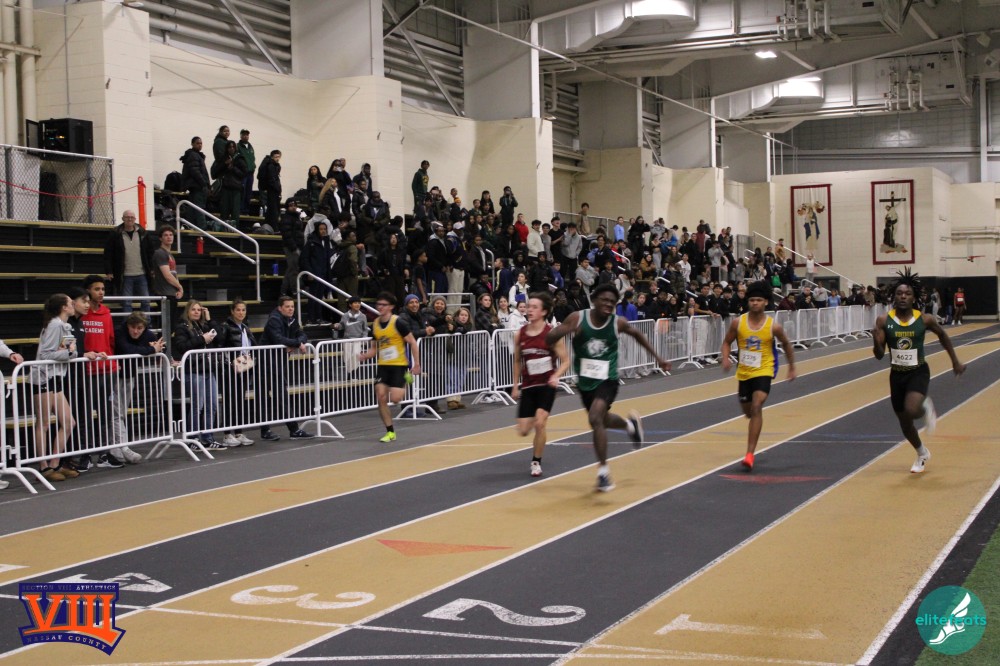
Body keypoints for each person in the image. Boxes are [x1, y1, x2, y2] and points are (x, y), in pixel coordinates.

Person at [545, 284, 671, 491]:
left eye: (612, 302)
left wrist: (658, 358)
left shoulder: (617, 322)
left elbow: (637, 335)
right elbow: (550, 337)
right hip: (585, 381)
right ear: (594, 300)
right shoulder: (577, 318)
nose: (608, 304)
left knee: (595, 417)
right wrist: (559, 333)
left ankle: (603, 472)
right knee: (601, 419)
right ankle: (630, 426)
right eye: (604, 300)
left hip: (608, 379)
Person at [872, 270, 965, 473]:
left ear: (914, 298)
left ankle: (925, 406)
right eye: (899, 293)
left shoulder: (925, 319)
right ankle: (922, 453)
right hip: (897, 375)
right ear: (893, 296)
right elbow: (879, 355)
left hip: (918, 371)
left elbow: (943, 336)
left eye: (907, 294)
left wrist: (955, 361)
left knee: (913, 409)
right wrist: (875, 340)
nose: (903, 297)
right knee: (905, 424)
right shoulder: (883, 321)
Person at [720, 281, 797, 472]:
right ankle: (753, 428)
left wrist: (791, 367)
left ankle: (749, 454)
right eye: (752, 300)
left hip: (764, 369)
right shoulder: (738, 323)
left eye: (759, 300)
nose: (755, 303)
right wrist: (725, 358)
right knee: (748, 412)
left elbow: (786, 344)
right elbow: (727, 342)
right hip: (744, 372)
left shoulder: (773, 326)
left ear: (766, 302)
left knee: (756, 406)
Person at [512, 292, 570, 478]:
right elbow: (517, 361)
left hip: (546, 384)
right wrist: (515, 385)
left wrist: (556, 375)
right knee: (523, 430)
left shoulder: (552, 334)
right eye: (529, 307)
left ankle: (536, 461)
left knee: (540, 422)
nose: (530, 310)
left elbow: (566, 361)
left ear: (544, 311)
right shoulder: (520, 334)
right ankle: (530, 428)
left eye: (534, 307)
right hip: (529, 385)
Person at [30, 294, 81, 482]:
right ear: (63, 307)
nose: (73, 305)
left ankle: (55, 462)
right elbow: (46, 355)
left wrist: (70, 352)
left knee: (68, 422)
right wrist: (69, 353)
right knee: (43, 423)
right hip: (43, 376)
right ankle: (43, 466)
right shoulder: (55, 325)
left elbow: (68, 351)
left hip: (55, 377)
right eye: (70, 303)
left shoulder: (64, 326)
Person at [359, 292, 421, 442]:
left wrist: (417, 364)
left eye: (383, 305)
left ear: (391, 307)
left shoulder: (398, 322)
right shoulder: (375, 324)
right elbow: (374, 348)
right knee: (380, 396)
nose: (380, 307)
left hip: (399, 365)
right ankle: (390, 431)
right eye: (378, 304)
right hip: (383, 366)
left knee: (395, 399)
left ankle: (406, 379)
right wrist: (365, 356)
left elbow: (412, 342)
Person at [258, 297, 312, 442]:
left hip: (277, 362)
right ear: (280, 308)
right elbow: (278, 339)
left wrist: (297, 342)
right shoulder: (274, 320)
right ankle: (270, 430)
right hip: (266, 362)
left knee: (280, 395)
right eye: (287, 306)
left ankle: (292, 430)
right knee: (266, 397)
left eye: (292, 306)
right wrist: (297, 344)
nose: (291, 309)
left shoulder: (292, 319)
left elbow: (302, 334)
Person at [173, 300, 225, 450]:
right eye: (193, 309)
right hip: (194, 370)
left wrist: (209, 319)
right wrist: (202, 339)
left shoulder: (203, 325)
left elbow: (220, 338)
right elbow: (181, 346)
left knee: (212, 405)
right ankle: (192, 438)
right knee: (198, 405)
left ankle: (208, 438)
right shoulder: (182, 327)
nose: (196, 312)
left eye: (199, 310)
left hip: (208, 369)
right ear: (187, 311)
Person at [218, 299, 257, 447]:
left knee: (240, 400)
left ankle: (238, 432)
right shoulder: (226, 327)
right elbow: (220, 346)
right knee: (230, 400)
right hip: (230, 369)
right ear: (232, 311)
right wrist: (227, 364)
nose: (241, 313)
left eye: (243, 310)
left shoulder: (245, 327)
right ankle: (227, 434)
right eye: (238, 310)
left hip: (244, 368)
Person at [103, 209, 152, 312]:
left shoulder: (143, 233)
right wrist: (109, 271)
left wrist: (151, 269)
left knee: (146, 302)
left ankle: (146, 321)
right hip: (125, 275)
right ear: (122, 219)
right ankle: (127, 321)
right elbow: (108, 253)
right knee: (126, 303)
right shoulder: (115, 234)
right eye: (127, 217)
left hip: (142, 273)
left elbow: (150, 252)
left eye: (132, 217)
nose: (130, 219)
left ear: (135, 219)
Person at [180, 136, 210, 229]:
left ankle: (190, 226)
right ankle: (202, 228)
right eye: (197, 143)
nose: (200, 145)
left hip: (194, 186)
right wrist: (204, 183)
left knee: (192, 209)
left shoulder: (194, 155)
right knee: (199, 208)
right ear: (192, 144)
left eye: (201, 143)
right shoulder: (194, 155)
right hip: (197, 186)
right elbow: (195, 171)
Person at [257, 149, 282, 232]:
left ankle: (269, 226)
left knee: (271, 210)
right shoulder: (271, 166)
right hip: (271, 190)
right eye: (276, 157)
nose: (277, 158)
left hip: (271, 190)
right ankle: (274, 228)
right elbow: (272, 179)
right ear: (272, 157)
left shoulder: (272, 165)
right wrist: (277, 188)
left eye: (279, 157)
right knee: (273, 210)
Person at [236, 129, 256, 214]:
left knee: (248, 192)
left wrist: (253, 166)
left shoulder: (250, 147)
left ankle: (246, 210)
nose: (245, 136)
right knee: (242, 192)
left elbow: (252, 158)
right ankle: (241, 209)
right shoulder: (238, 146)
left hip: (250, 173)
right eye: (244, 135)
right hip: (243, 173)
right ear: (240, 136)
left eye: (247, 135)